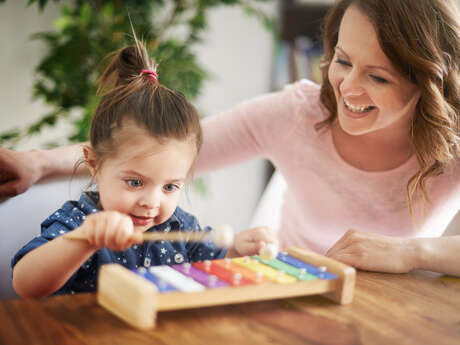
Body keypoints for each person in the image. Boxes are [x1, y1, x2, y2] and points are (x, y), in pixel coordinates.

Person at [2, 0, 460, 276]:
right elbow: (158, 149)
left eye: (377, 77)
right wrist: (39, 163)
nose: (348, 89)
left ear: (429, 80)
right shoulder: (298, 114)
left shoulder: (452, 143)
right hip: (286, 295)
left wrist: (410, 252)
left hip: (395, 313)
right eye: (342, 61)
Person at [10, 38, 277, 298]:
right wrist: (84, 241)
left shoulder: (180, 228)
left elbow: (215, 268)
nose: (151, 202)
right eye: (135, 182)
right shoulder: (78, 222)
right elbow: (25, 284)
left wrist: (237, 250)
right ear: (94, 164)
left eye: (170, 187)